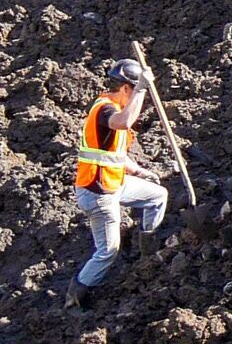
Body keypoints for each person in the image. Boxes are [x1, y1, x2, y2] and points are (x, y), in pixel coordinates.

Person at [70, 58, 169, 293]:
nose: (139, 102)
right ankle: (76, 293)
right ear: (126, 89)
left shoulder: (111, 109)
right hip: (97, 192)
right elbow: (123, 122)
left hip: (114, 183)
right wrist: (142, 88)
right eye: (135, 92)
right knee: (108, 252)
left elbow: (113, 155)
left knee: (158, 196)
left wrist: (140, 171)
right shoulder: (106, 110)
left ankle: (147, 255)